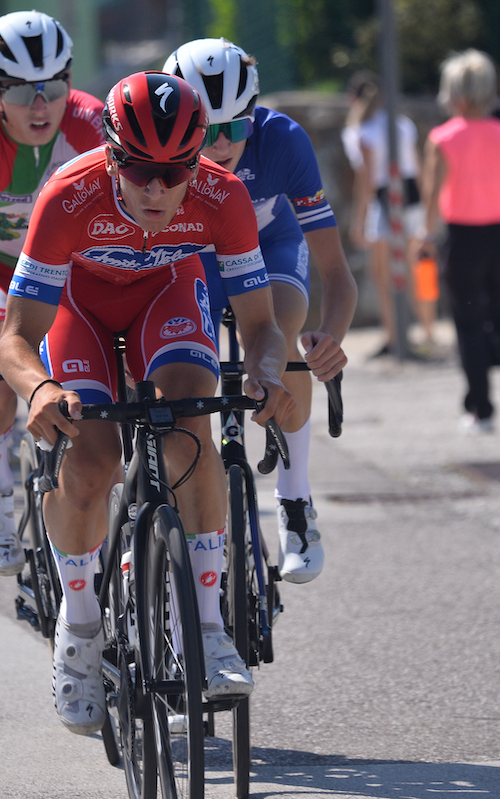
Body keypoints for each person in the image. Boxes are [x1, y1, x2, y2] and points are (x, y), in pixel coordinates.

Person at [0, 72, 297, 734]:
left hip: (167, 291)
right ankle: (78, 631)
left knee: (191, 426)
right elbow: (13, 338)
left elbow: (260, 325)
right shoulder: (67, 199)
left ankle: (212, 632)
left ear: (198, 160)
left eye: (175, 169)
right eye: (138, 167)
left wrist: (269, 370)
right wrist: (40, 389)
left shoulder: (224, 198)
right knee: (93, 458)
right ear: (110, 154)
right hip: (80, 305)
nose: (156, 187)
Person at [164, 38, 356, 584]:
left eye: (236, 126)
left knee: (283, 330)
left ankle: (295, 504)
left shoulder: (283, 142)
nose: (223, 144)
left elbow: (338, 275)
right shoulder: (159, 150)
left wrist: (331, 339)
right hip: (194, 259)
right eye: (207, 129)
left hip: (268, 250)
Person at [0, 11, 104, 577]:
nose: (40, 106)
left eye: (54, 88)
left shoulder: (94, 122)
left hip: (62, 273)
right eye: (22, 92)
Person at [420, 49, 500, 433]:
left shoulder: (442, 139)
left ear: (453, 94)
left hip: (463, 240)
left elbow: (432, 195)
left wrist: (425, 237)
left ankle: (482, 410)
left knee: (469, 324)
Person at [342, 71, 432, 352]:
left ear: (352, 99)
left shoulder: (361, 132)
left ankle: (394, 336)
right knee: (417, 265)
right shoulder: (402, 124)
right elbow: (416, 168)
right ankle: (428, 330)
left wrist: (358, 222)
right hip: (412, 198)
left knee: (382, 272)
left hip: (385, 199)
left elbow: (365, 181)